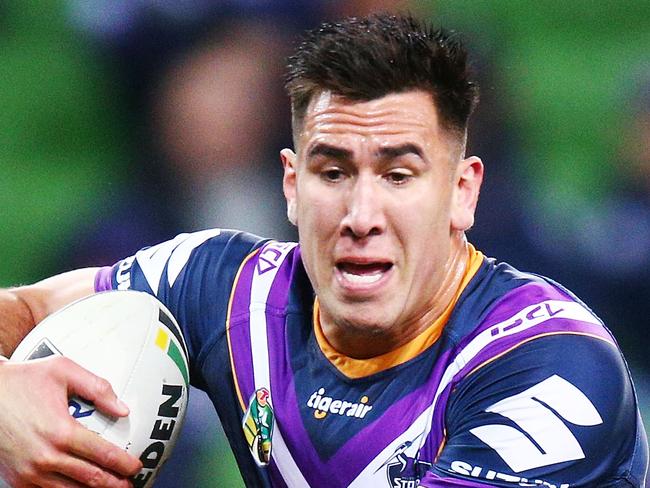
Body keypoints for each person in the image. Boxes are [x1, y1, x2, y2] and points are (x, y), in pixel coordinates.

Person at [0, 13, 647, 488]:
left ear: (462, 192)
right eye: (332, 172)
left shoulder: (551, 365)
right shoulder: (225, 288)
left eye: (398, 175)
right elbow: (22, 311)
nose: (360, 216)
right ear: (291, 184)